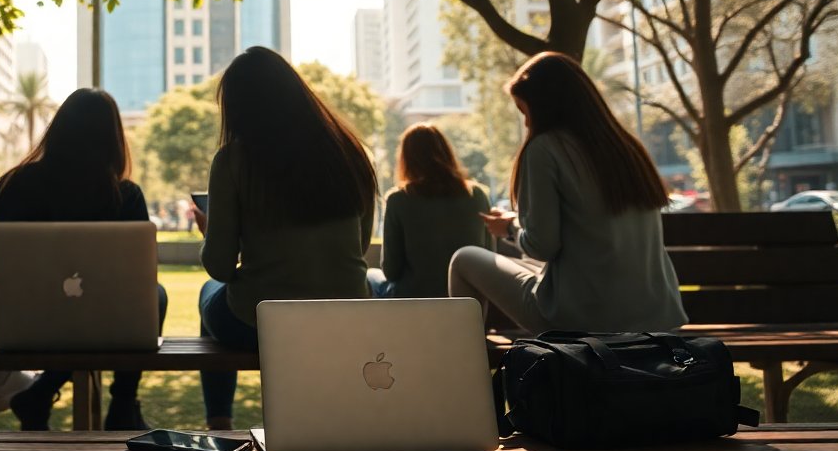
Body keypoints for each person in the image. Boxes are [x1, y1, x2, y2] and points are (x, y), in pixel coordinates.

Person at [194, 47, 376, 430]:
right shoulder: (349, 153)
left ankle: (219, 422)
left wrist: (213, 233)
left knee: (208, 291)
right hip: (348, 316)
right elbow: (358, 247)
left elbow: (222, 267)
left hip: (263, 321)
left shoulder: (232, 161)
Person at [448, 52, 687, 333]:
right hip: (657, 318)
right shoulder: (625, 148)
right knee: (526, 266)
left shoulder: (545, 149)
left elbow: (542, 245)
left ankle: (466, 367)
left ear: (544, 106)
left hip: (583, 320)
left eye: (525, 112)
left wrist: (509, 227)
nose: (526, 124)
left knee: (463, 259)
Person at [0, 88, 167, 431]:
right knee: (156, 295)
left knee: (75, 317)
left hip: (22, 323)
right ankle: (123, 404)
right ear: (113, 138)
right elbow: (141, 279)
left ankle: (40, 394)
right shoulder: (124, 195)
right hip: (106, 324)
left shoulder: (12, 184)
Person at [370, 124, 493, 298]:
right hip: (467, 301)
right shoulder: (477, 195)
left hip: (415, 301)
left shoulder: (399, 199)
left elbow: (391, 271)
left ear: (406, 159)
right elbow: (489, 255)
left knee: (370, 277)